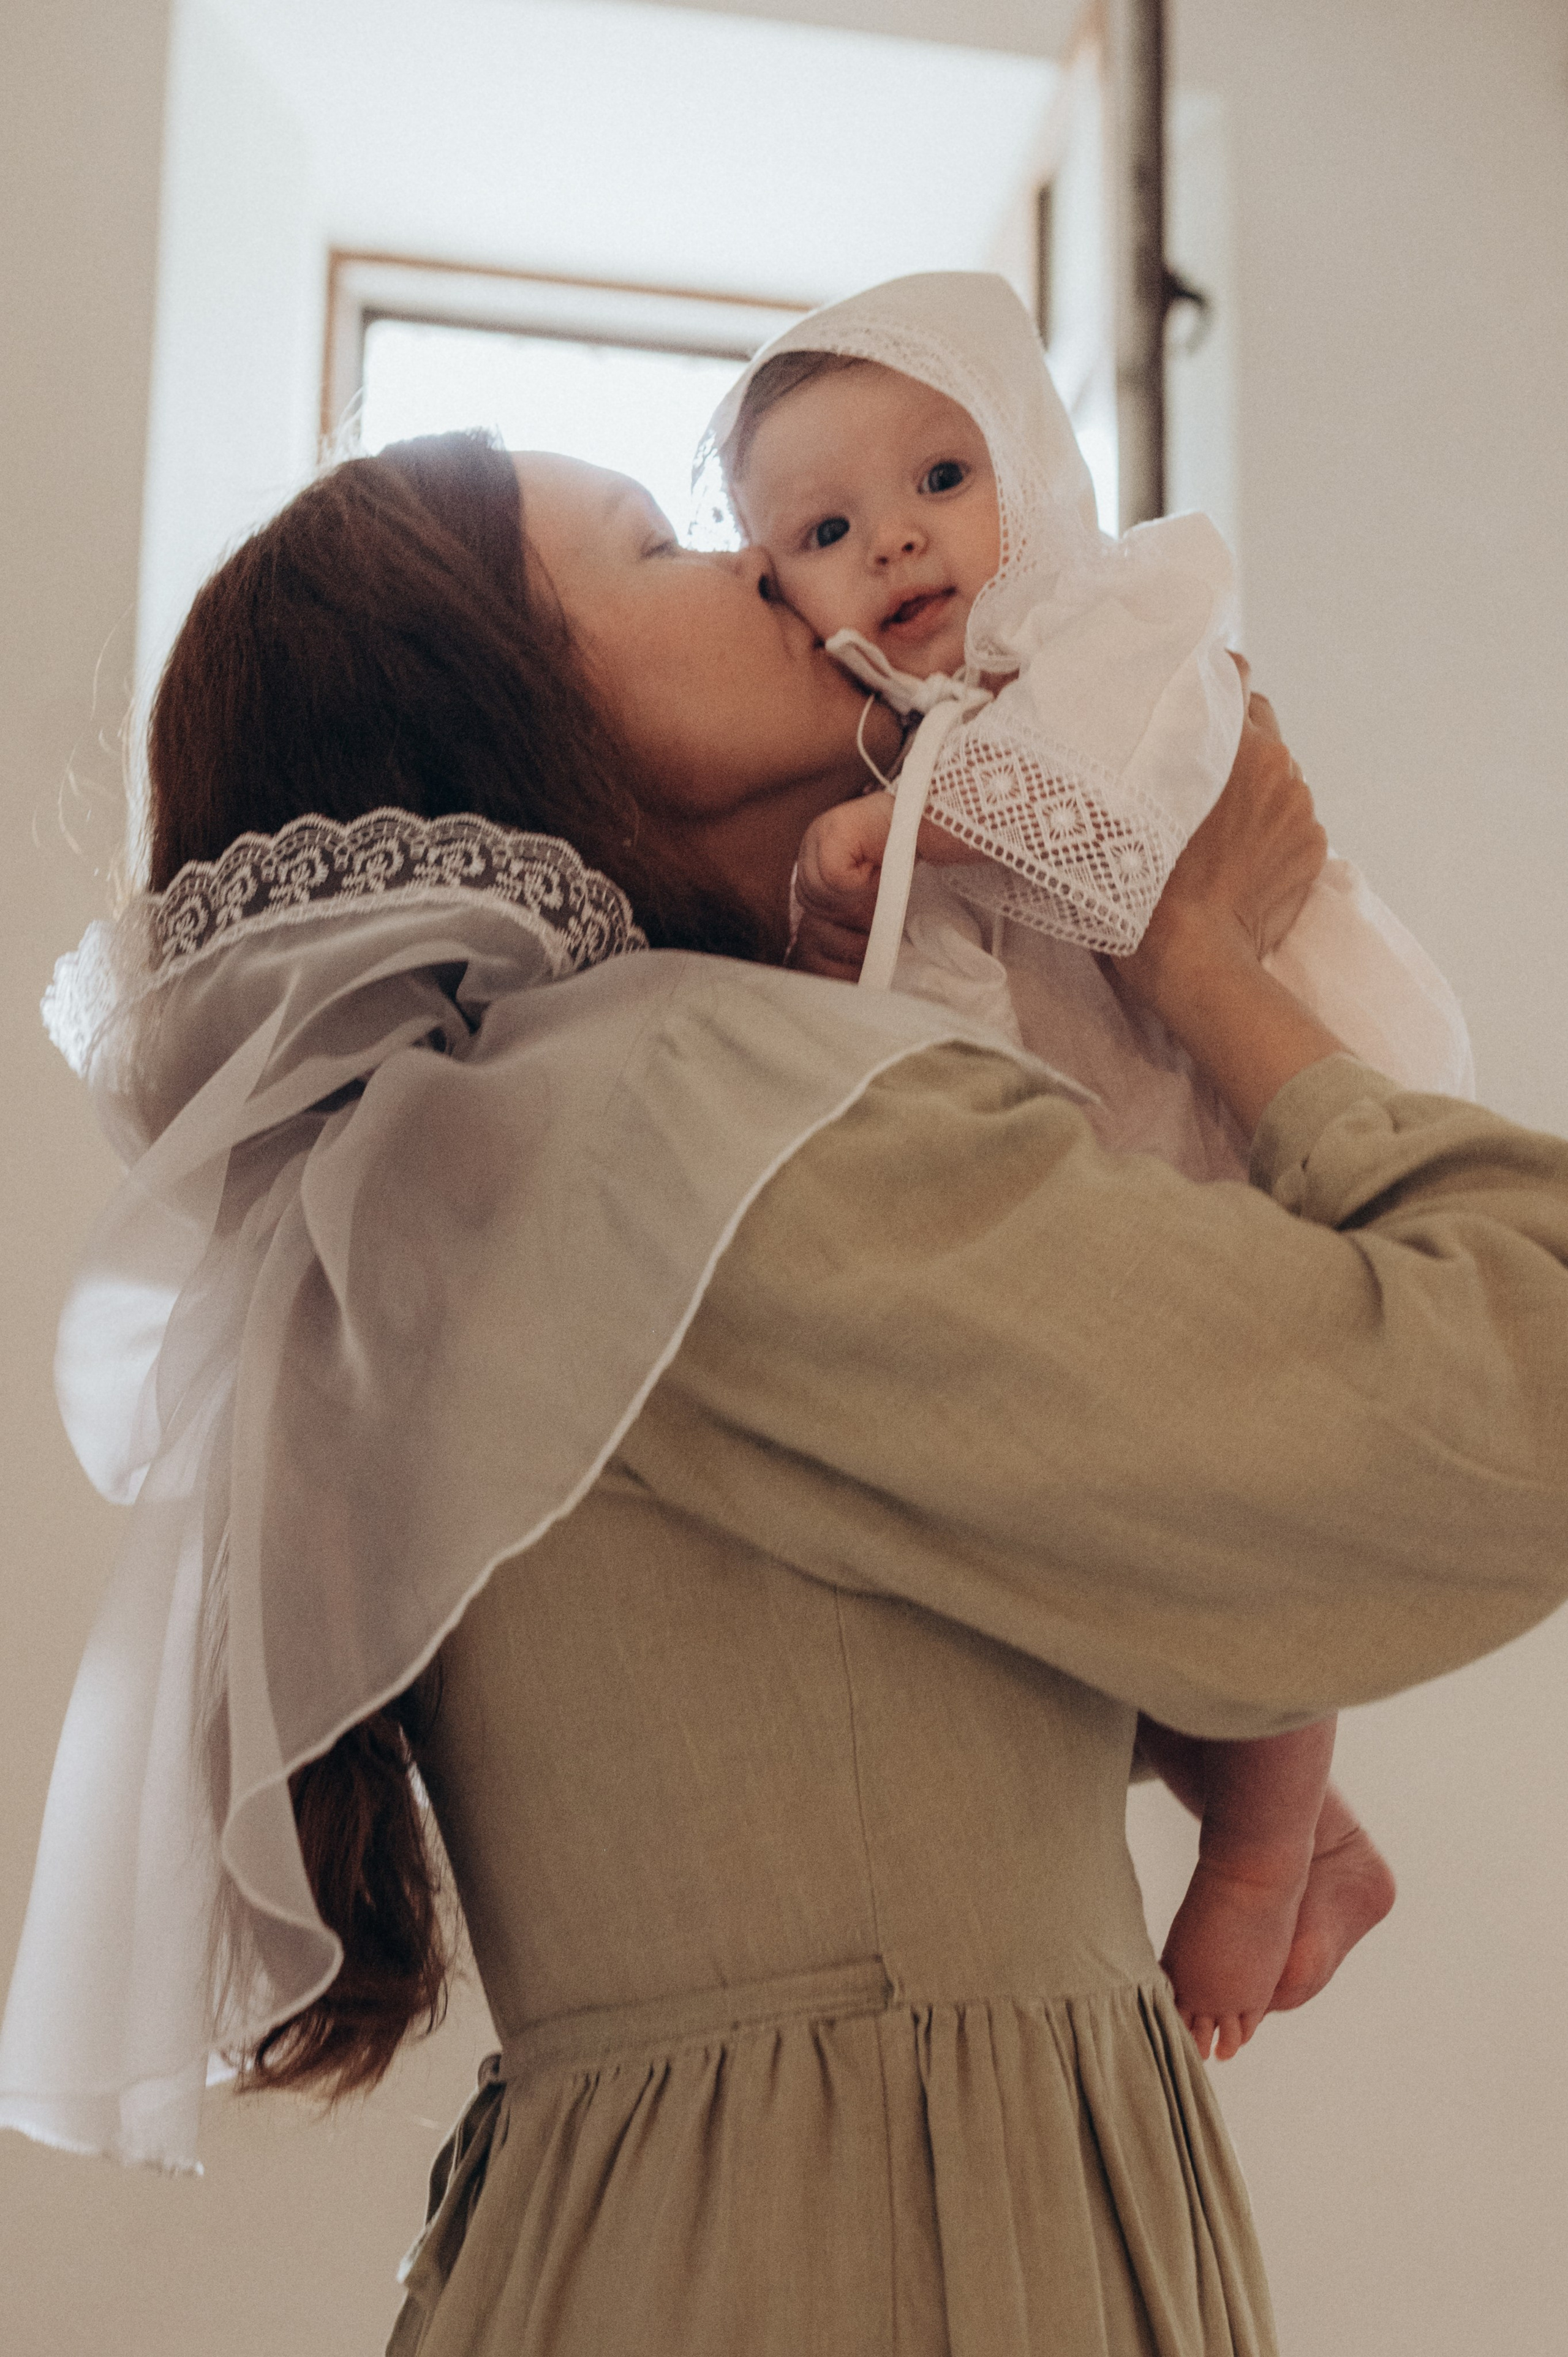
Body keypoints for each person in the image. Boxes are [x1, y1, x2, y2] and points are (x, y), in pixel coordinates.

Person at [4, 432, 1568, 2357]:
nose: (764, 564)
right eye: (650, 548)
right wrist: (1196, 944)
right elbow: (1514, 1401)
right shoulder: (702, 1106)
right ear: (488, 711)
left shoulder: (517, 1148)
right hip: (873, 2246)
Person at [710, 271, 1465, 2060]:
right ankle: (1307, 1836)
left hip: (1221, 1119)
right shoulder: (876, 734)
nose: (896, 539)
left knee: (1250, 1498)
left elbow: (1094, 810)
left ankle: (1274, 1839)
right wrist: (829, 917)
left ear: (1032, 474)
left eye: (942, 480)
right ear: (777, 588)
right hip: (1093, 1161)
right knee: (1099, 1564)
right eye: (827, 529)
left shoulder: (1112, 611)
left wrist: (880, 833)